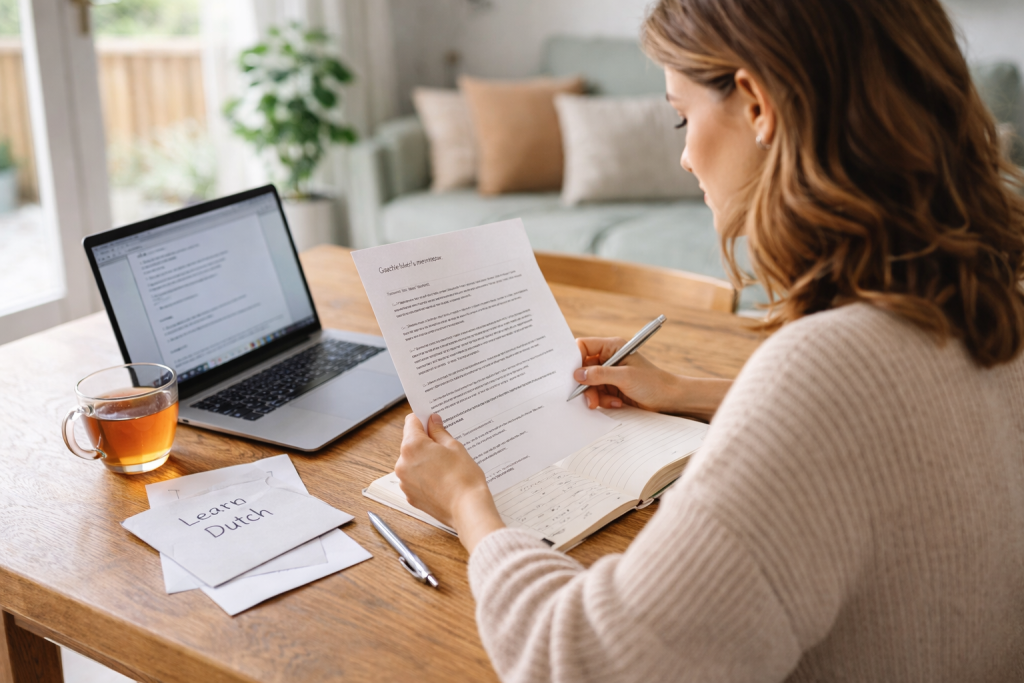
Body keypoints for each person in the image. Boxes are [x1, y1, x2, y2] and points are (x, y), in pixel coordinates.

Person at [394, 0, 1024, 680]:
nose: (687, 157)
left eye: (682, 116)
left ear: (757, 105)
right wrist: (689, 392)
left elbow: (586, 661)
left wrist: (467, 502)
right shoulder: (990, 285)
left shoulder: (825, 372)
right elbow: (893, 422)